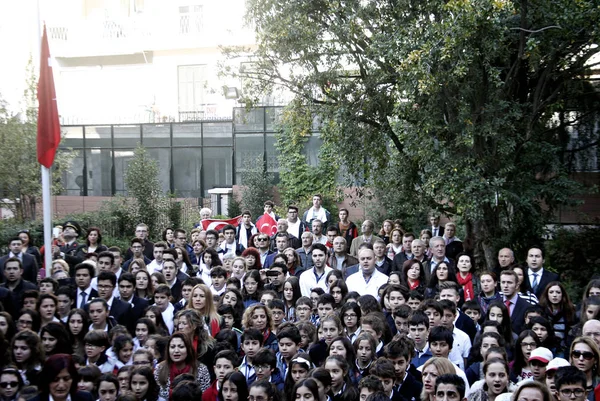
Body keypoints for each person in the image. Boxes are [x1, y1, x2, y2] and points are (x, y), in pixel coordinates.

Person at [154, 332, 210, 401]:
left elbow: (205, 396)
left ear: (188, 349)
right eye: (172, 347)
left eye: (181, 347)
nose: (176, 351)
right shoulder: (159, 368)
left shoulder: (201, 369)